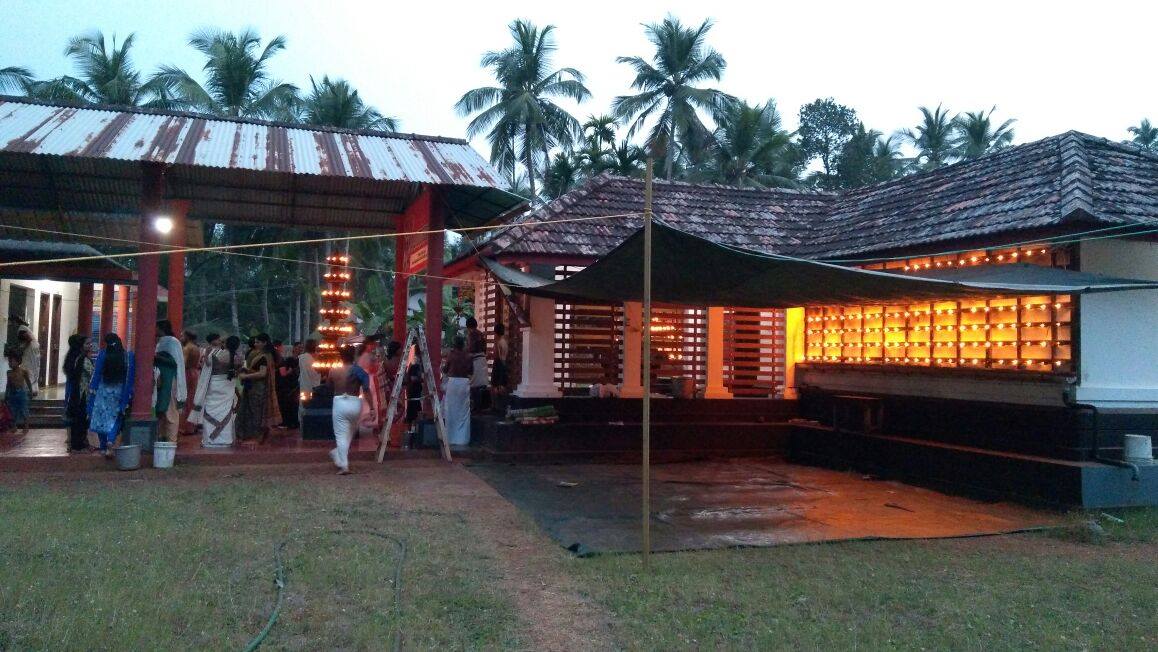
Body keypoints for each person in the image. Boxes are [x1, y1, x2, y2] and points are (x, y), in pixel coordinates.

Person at [88, 333, 134, 456]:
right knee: (116, 418)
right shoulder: (128, 356)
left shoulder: (103, 354)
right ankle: (111, 440)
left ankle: (103, 446)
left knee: (101, 419)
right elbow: (129, 379)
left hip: (103, 391)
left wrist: (92, 391)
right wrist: (127, 396)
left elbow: (96, 374)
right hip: (119, 391)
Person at [190, 334, 238, 447]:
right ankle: (225, 439)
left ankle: (211, 439)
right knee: (225, 411)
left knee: (211, 409)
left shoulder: (215, 353)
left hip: (214, 385)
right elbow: (238, 372)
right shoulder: (237, 357)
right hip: (228, 386)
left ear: (225, 344)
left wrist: (206, 354)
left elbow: (206, 365)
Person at [328, 346, 367, 474]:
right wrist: (372, 407)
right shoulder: (359, 371)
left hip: (339, 402)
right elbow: (367, 389)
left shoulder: (334, 370)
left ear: (341, 357)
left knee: (341, 435)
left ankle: (343, 464)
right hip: (355, 402)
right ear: (354, 356)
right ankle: (337, 454)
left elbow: (328, 386)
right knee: (350, 432)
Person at [236, 333, 281, 443]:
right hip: (256, 387)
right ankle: (257, 435)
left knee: (256, 412)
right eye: (255, 342)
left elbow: (262, 373)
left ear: (265, 343)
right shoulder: (265, 354)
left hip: (258, 388)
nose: (255, 344)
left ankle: (257, 437)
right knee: (255, 411)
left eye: (258, 342)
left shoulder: (263, 357)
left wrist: (245, 375)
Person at [153, 321, 186, 444]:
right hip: (160, 379)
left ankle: (172, 440)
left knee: (170, 409)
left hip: (170, 379)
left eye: (156, 327)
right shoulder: (160, 341)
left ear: (161, 328)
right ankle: (162, 436)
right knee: (160, 409)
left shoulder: (172, 342)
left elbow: (175, 362)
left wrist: (157, 357)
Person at [62, 334, 93, 452]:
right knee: (81, 419)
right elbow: (93, 374)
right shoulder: (83, 359)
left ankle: (75, 443)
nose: (90, 346)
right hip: (82, 393)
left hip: (75, 393)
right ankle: (78, 445)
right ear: (81, 346)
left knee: (76, 419)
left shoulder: (73, 358)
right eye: (87, 344)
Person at [441, 335, 472, 447]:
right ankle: (462, 439)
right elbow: (471, 371)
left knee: (451, 411)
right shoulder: (468, 356)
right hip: (464, 383)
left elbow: (445, 369)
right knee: (463, 412)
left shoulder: (451, 355)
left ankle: (450, 437)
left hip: (453, 383)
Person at [3, 348, 33, 435]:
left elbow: (28, 382)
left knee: (24, 410)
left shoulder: (23, 372)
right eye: (9, 361)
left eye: (12, 361)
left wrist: (30, 391)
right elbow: (8, 385)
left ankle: (26, 426)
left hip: (22, 394)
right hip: (12, 394)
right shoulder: (9, 373)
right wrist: (6, 395)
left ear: (18, 361)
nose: (10, 363)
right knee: (12, 410)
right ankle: (14, 426)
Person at [275, 342, 301, 430]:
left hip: (295, 384)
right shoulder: (288, 360)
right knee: (290, 403)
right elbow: (284, 373)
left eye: (301, 347)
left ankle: (293, 421)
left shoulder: (300, 359)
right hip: (289, 385)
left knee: (294, 403)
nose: (300, 349)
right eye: (298, 347)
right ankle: (289, 421)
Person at [465, 317, 489, 410]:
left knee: (474, 384)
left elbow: (471, 348)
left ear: (468, 326)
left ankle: (476, 406)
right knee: (481, 384)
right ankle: (481, 406)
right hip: (482, 359)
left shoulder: (472, 335)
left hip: (475, 360)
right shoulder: (481, 334)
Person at [180, 331, 201, 434]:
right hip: (195, 372)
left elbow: (183, 363)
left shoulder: (187, 348)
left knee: (187, 400)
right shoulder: (196, 348)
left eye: (182, 336)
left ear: (187, 337)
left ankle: (187, 427)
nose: (181, 337)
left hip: (187, 373)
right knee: (192, 399)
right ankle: (193, 424)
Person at [404, 343, 424, 446]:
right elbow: (412, 377)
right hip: (414, 389)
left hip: (414, 389)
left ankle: (412, 433)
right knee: (413, 412)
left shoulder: (416, 361)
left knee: (414, 412)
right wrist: (421, 379)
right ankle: (411, 435)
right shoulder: (416, 361)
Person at [297, 339, 322, 426]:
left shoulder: (302, 357)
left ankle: (302, 423)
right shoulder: (314, 359)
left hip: (304, 383)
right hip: (314, 384)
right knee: (313, 403)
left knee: (303, 403)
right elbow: (316, 372)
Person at [15, 325, 40, 397]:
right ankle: (33, 390)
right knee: (33, 371)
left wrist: (22, 348)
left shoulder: (21, 329)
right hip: (33, 354)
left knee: (28, 370)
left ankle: (29, 390)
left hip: (30, 354)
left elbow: (29, 339)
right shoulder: (25, 329)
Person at [490, 323, 510, 405]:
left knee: (494, 385)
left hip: (498, 363)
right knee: (502, 385)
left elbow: (496, 355)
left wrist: (489, 355)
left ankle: (495, 406)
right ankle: (503, 405)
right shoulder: (504, 342)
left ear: (495, 332)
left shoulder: (498, 343)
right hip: (504, 363)